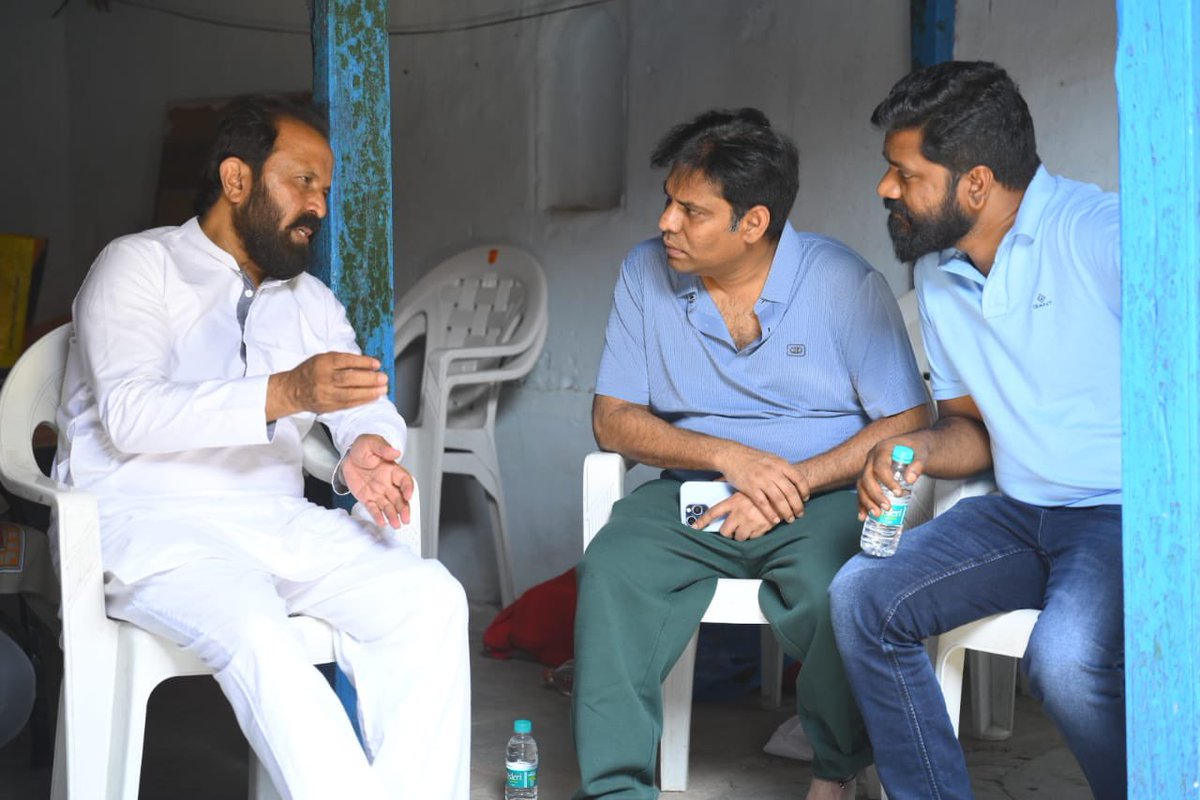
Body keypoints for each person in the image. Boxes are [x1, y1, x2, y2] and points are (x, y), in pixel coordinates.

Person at [53, 95, 469, 800]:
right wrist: (285, 393)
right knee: (257, 626)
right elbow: (130, 414)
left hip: (274, 521)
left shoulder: (307, 299)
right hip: (153, 526)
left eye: (325, 190)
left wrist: (367, 442)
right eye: (301, 181)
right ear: (236, 179)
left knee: (429, 598)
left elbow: (362, 397)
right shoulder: (137, 266)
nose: (318, 206)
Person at [572, 107, 930, 800]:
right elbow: (611, 421)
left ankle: (836, 770)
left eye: (690, 211)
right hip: (693, 493)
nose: (666, 223)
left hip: (823, 495)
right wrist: (732, 457)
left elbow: (910, 417)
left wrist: (791, 480)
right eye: (668, 202)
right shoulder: (644, 275)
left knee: (843, 586)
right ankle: (615, 789)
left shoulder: (841, 283)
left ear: (754, 223)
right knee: (613, 568)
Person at [829, 61, 1124, 799]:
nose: (886, 188)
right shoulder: (939, 272)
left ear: (977, 184)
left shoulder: (1101, 236)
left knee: (1064, 662)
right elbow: (970, 428)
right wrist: (916, 451)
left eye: (904, 172)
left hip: (1124, 517)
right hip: (1022, 512)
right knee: (862, 597)